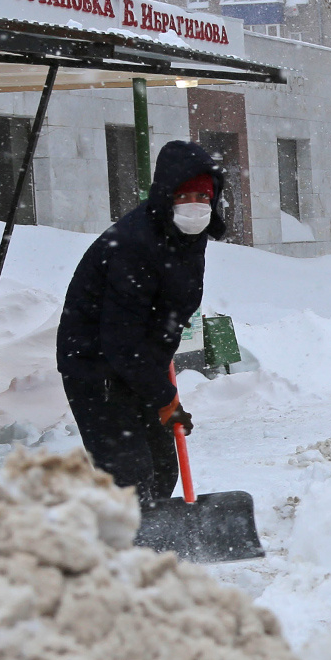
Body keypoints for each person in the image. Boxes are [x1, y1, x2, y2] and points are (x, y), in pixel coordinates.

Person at [57, 140, 224, 510]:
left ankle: (151, 538)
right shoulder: (134, 245)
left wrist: (161, 383)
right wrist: (164, 396)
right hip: (95, 364)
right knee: (129, 474)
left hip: (136, 363)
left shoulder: (188, 240)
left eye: (202, 195)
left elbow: (169, 312)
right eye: (184, 195)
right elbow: (120, 338)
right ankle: (119, 550)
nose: (195, 204)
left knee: (163, 466)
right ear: (166, 196)